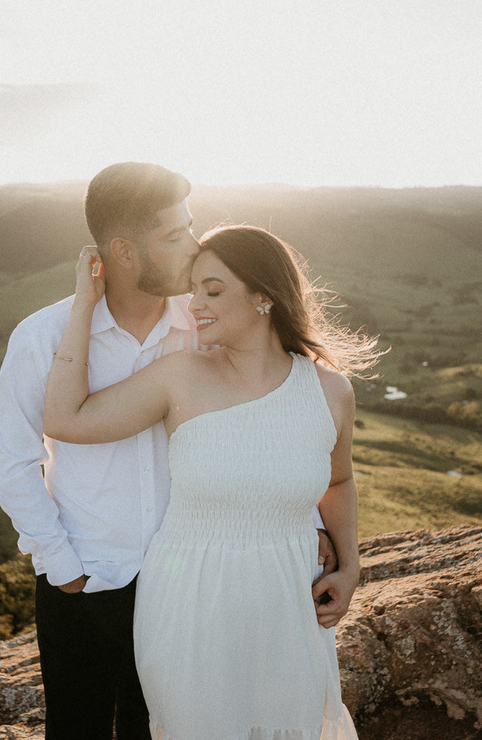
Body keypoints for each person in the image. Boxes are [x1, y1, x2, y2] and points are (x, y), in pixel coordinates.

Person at [0, 163, 346, 740]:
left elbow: (262, 427)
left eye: (190, 227)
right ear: (125, 252)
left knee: (160, 729)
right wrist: (62, 567)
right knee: (76, 729)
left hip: (188, 582)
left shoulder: (207, 323)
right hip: (88, 574)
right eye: (176, 234)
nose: (194, 245)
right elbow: (14, 461)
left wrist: (304, 524)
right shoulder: (43, 336)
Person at [43, 224, 378, 739]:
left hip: (289, 603)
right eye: (194, 288)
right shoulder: (180, 377)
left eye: (213, 291)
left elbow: (339, 481)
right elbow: (66, 419)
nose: (194, 303)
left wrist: (351, 566)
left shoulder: (330, 391)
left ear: (265, 296)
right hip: (189, 604)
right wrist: (85, 305)